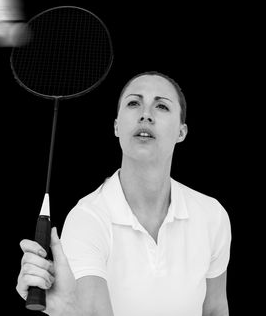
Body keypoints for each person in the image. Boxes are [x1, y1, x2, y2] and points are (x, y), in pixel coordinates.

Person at [16, 72, 231, 316]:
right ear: (117, 126)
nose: (145, 114)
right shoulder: (87, 218)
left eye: (161, 106)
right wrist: (67, 308)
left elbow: (214, 309)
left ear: (181, 132)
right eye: (133, 103)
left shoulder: (212, 215)